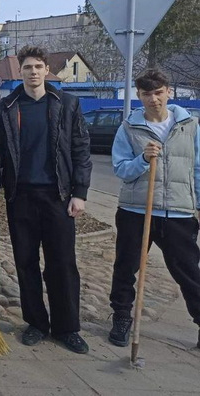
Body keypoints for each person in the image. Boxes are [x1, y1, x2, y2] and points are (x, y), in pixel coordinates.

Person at [0, 45, 92, 354]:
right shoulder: (6, 107)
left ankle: (67, 327)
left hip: (57, 196)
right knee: (26, 262)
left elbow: (81, 151)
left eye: (38, 67)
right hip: (21, 197)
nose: (33, 72)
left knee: (62, 263)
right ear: (21, 71)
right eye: (28, 67)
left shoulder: (67, 105)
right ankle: (35, 323)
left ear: (47, 70)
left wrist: (80, 194)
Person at [107, 69, 200, 349]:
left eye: (158, 92)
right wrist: (144, 159)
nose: (154, 99)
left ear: (168, 92)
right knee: (126, 267)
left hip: (178, 212)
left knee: (188, 272)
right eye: (147, 94)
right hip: (136, 210)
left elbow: (198, 169)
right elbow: (121, 169)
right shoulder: (129, 128)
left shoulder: (190, 126)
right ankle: (122, 317)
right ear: (139, 96)